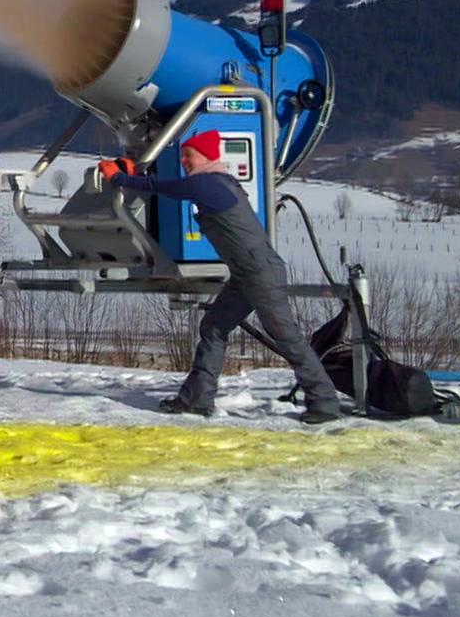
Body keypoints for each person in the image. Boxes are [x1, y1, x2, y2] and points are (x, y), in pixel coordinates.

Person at [100, 130, 341, 425]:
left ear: (206, 156)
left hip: (259, 273)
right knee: (213, 327)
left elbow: (167, 188)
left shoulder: (208, 184)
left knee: (287, 338)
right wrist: (136, 172)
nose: (184, 161)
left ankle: (325, 403)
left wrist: (119, 179)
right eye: (183, 156)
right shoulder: (219, 181)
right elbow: (169, 184)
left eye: (189, 155)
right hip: (246, 273)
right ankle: (197, 398)